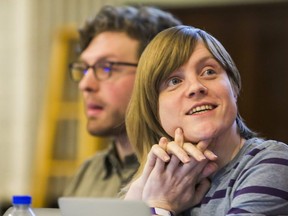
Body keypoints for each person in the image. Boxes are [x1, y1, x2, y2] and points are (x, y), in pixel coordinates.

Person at [123, 25, 288, 215]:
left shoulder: (274, 162)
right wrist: (137, 196)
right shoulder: (153, 185)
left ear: (234, 86)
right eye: (174, 81)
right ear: (154, 109)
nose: (196, 87)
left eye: (209, 71)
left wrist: (159, 207)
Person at [63, 5, 182, 197]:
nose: (85, 84)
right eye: (85, 68)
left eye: (107, 67)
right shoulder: (88, 172)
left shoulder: (183, 172)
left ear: (155, 76)